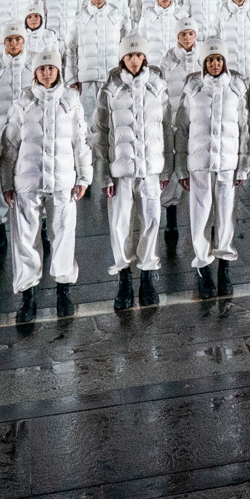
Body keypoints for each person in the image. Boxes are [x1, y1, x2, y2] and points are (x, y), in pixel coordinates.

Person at [0, 49, 93, 321]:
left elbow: (80, 140)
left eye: (51, 68)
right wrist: (6, 182)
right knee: (26, 239)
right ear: (35, 73)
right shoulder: (23, 101)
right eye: (42, 69)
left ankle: (63, 291)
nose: (47, 73)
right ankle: (28, 295)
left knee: (63, 234)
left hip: (63, 180)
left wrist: (84, 176)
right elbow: (9, 144)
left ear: (58, 71)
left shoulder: (71, 100)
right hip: (27, 181)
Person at [96, 36, 170, 311]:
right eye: (129, 56)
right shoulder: (110, 89)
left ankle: (148, 274)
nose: (135, 60)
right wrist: (104, 173)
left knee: (151, 220)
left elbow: (167, 125)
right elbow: (100, 132)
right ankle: (124, 276)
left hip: (150, 167)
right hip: (121, 170)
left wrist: (167, 166)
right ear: (122, 59)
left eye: (139, 55)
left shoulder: (157, 86)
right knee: (121, 224)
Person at [180, 42, 246, 297]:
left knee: (226, 214)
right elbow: (181, 127)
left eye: (219, 59)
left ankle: (224, 267)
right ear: (203, 63)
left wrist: (243, 166)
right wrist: (181, 168)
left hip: (227, 162)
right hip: (200, 163)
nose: (215, 64)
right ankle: (203, 266)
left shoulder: (236, 89)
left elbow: (244, 127)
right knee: (201, 214)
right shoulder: (193, 89)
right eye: (210, 60)